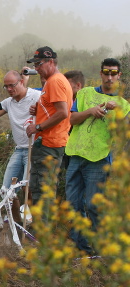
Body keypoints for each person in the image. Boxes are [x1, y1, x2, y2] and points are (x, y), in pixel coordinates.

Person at [65, 58, 130, 253]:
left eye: (113, 73)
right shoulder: (85, 93)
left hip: (99, 159)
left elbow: (122, 134)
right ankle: (80, 247)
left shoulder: (123, 104)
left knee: (94, 206)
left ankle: (100, 247)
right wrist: (90, 111)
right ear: (101, 74)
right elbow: (72, 119)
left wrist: (117, 113)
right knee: (73, 204)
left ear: (119, 76)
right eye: (106, 72)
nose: (109, 77)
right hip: (75, 155)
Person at [25, 46, 73, 204]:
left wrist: (38, 127)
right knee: (45, 189)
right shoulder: (56, 81)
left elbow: (62, 112)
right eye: (35, 65)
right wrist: (39, 110)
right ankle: (42, 226)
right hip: (53, 142)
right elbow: (54, 109)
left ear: (51, 62)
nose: (36, 68)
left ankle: (41, 228)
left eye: (39, 64)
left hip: (48, 143)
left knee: (41, 191)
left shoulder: (55, 81)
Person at [0, 70, 41, 189]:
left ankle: (27, 208)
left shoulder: (36, 96)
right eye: (6, 86)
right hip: (19, 150)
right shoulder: (7, 102)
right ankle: (11, 207)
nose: (9, 89)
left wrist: (38, 111)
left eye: (12, 85)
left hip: (34, 149)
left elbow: (52, 111)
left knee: (27, 188)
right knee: (7, 189)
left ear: (21, 82)